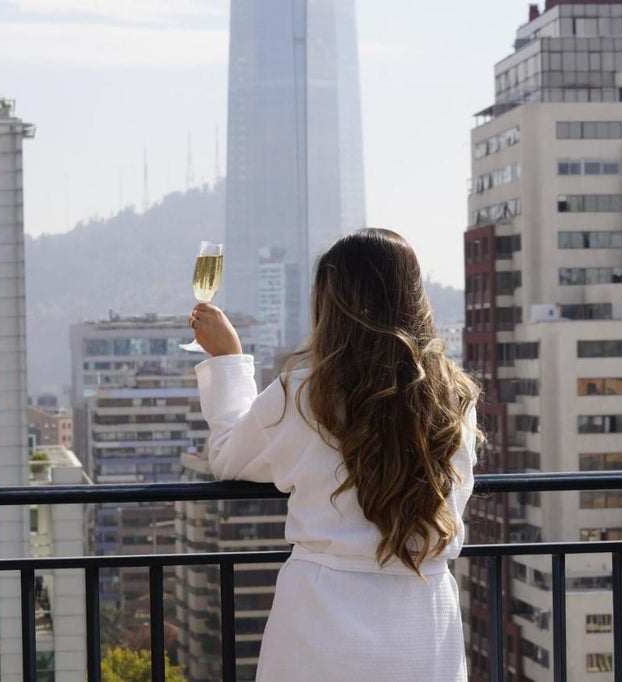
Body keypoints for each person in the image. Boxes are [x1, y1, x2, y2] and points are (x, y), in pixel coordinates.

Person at [190, 228, 480, 681]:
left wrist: (229, 359)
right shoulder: (454, 398)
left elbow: (228, 457)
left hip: (320, 623)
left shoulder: (304, 394)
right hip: (424, 624)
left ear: (330, 305)